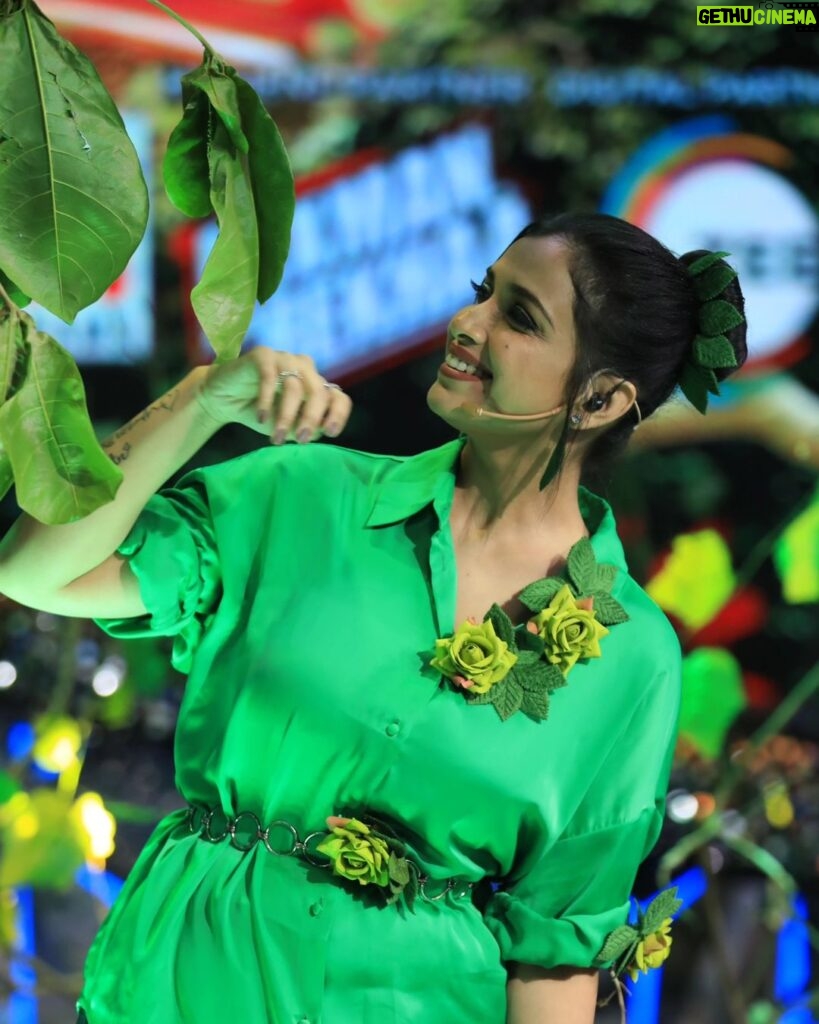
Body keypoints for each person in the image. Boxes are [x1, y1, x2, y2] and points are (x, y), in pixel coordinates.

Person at [0, 212, 747, 1024]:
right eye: (482, 293)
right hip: (177, 990)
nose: (467, 323)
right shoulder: (301, 497)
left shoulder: (633, 658)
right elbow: (38, 571)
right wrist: (202, 399)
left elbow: (553, 953)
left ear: (601, 398)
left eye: (517, 317)